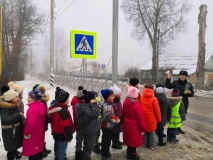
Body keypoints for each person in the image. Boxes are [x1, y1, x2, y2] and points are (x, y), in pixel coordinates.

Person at [48, 87, 75, 160]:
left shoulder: (54, 108)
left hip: (56, 133)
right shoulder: (63, 111)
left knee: (58, 147)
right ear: (63, 100)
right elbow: (66, 126)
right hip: (63, 135)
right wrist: (69, 137)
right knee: (62, 151)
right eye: (67, 98)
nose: (69, 100)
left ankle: (57, 157)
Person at [22, 86, 47, 160]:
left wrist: (26, 134)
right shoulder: (42, 106)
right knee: (38, 152)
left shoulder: (31, 110)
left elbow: (30, 124)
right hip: (39, 134)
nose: (27, 99)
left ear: (34, 99)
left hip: (32, 136)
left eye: (29, 98)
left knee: (32, 154)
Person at [0, 87, 24, 160]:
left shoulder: (13, 106)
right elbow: (5, 120)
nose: (18, 98)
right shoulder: (5, 109)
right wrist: (18, 115)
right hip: (10, 135)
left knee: (13, 150)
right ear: (11, 99)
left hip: (13, 133)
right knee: (11, 152)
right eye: (16, 97)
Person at [123, 86, 146, 160]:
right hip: (134, 126)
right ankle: (133, 156)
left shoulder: (126, 101)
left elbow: (123, 113)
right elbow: (140, 118)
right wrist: (143, 128)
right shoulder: (136, 105)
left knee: (129, 140)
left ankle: (128, 154)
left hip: (127, 123)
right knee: (134, 142)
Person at [75, 91, 100, 160]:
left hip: (90, 130)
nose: (96, 100)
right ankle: (86, 158)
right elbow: (95, 114)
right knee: (88, 148)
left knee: (88, 147)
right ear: (90, 100)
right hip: (89, 131)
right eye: (94, 99)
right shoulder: (86, 109)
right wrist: (95, 104)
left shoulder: (87, 107)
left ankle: (85, 157)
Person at [31, 84, 52, 157]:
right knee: (39, 137)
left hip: (43, 121)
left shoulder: (42, 100)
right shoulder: (40, 101)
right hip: (41, 122)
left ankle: (42, 149)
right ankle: (40, 150)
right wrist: (49, 118)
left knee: (41, 136)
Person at [140, 83, 162, 150]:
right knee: (152, 132)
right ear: (152, 89)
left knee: (145, 131)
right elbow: (157, 111)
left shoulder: (141, 97)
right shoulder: (154, 99)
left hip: (143, 117)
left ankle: (144, 143)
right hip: (152, 119)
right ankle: (152, 145)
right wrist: (159, 119)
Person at [101, 89, 120, 160]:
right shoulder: (107, 106)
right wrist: (116, 120)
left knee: (106, 140)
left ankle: (105, 153)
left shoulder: (108, 104)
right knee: (106, 141)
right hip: (107, 126)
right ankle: (105, 155)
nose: (114, 97)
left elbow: (111, 114)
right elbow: (107, 117)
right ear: (107, 97)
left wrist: (115, 117)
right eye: (112, 96)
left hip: (107, 126)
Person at [8, 81, 25, 159]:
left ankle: (15, 151)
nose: (23, 92)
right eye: (22, 91)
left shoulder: (19, 100)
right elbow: (18, 112)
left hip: (18, 121)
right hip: (16, 122)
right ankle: (12, 153)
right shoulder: (17, 102)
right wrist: (22, 118)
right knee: (14, 139)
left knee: (16, 139)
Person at [71, 86, 87, 159]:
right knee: (80, 139)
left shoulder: (76, 103)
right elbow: (78, 117)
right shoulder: (78, 105)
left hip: (80, 125)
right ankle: (78, 153)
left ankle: (79, 151)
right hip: (80, 125)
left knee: (80, 139)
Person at [109, 84, 123, 149]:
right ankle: (114, 143)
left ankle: (117, 141)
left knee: (117, 131)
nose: (121, 94)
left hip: (119, 118)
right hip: (115, 119)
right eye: (119, 93)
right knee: (114, 131)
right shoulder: (113, 101)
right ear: (116, 94)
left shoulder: (118, 100)